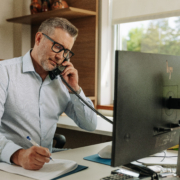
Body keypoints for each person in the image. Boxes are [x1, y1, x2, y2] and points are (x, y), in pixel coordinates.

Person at [0, 17, 97, 170]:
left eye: (66, 52)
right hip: (9, 166)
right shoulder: (4, 72)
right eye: (57, 46)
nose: (60, 56)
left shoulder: (63, 82)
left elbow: (90, 124)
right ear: (39, 38)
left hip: (46, 168)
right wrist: (19, 155)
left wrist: (75, 89)